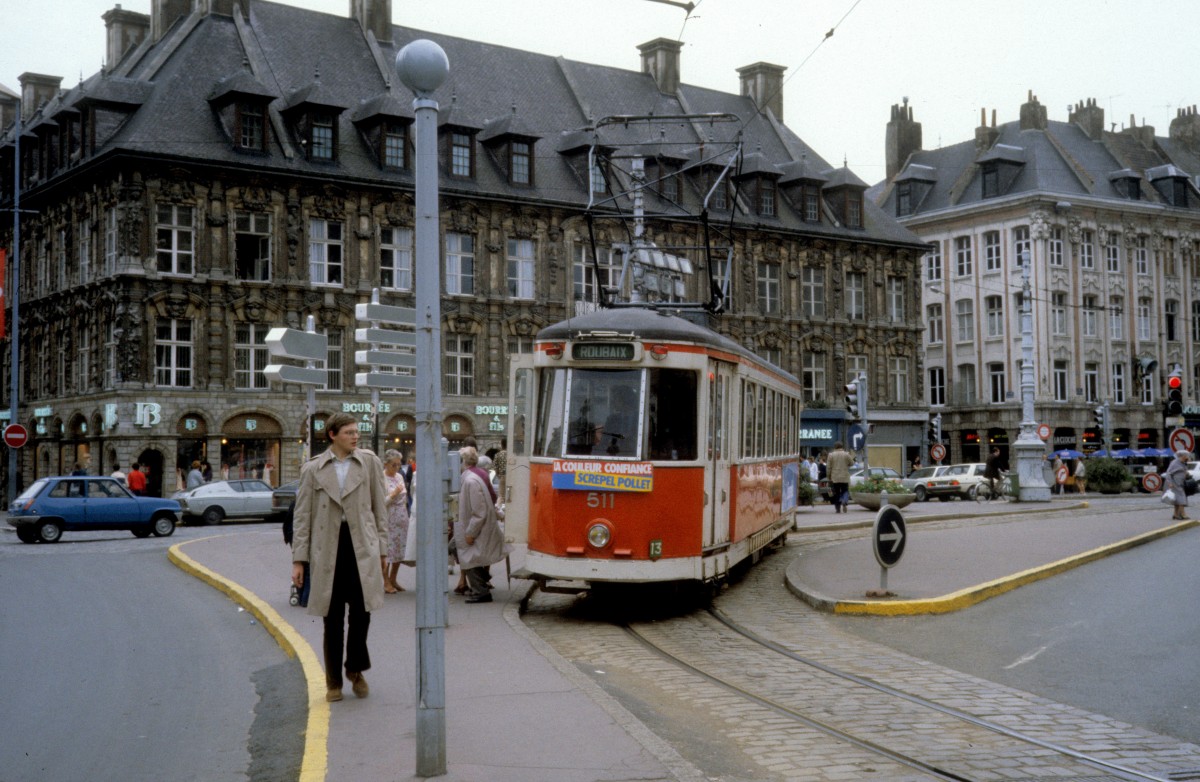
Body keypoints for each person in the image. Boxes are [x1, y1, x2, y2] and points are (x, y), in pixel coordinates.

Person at [291, 412, 389, 703]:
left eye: (356, 432)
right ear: (332, 435)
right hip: (328, 548)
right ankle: (333, 681)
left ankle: (355, 669)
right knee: (331, 619)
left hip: (361, 546)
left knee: (362, 614)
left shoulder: (369, 462)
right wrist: (299, 560)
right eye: (348, 432)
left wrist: (382, 550)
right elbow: (302, 517)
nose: (355, 436)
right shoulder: (313, 469)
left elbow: (379, 509)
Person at [453, 446, 506, 603]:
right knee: (457, 548)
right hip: (472, 525)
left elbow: (479, 511)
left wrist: (471, 532)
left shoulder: (470, 480)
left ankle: (480, 589)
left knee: (467, 555)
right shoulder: (473, 476)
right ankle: (482, 580)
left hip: (474, 527)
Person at [381, 449, 410, 594]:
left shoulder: (399, 476)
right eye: (394, 465)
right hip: (388, 518)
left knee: (398, 550)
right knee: (386, 551)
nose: (397, 468)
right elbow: (380, 502)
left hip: (401, 517)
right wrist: (393, 494)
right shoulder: (381, 478)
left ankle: (393, 578)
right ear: (386, 464)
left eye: (399, 465)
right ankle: (385, 581)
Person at [826, 442, 854, 514]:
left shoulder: (831, 455)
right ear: (842, 447)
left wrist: (828, 476)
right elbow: (852, 463)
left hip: (835, 477)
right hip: (844, 476)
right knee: (845, 490)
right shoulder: (846, 454)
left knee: (836, 492)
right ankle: (844, 501)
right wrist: (846, 464)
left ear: (835, 447)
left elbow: (828, 467)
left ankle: (837, 508)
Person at [1165, 450, 1192, 521]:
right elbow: (1168, 473)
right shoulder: (1174, 463)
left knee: (1177, 499)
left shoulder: (1183, 463)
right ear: (1182, 456)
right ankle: (1182, 514)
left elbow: (1184, 471)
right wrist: (1170, 483)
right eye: (1186, 456)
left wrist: (1187, 473)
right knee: (1182, 498)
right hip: (1175, 483)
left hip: (1181, 483)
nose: (1188, 457)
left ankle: (1175, 514)